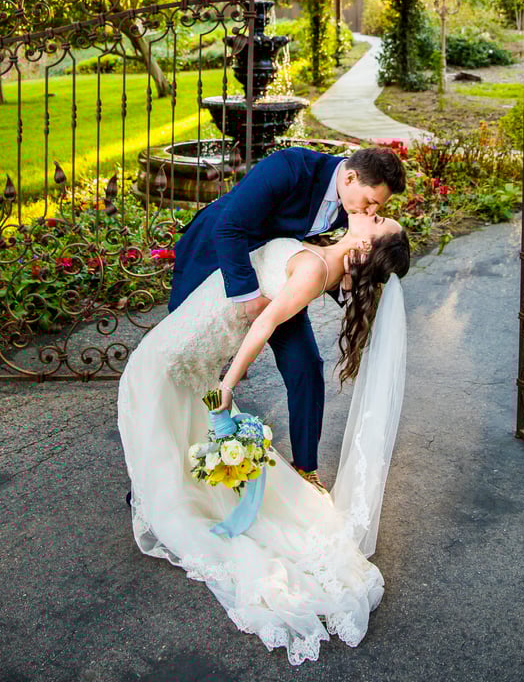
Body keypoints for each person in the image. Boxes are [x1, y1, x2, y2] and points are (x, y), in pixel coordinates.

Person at [117, 208, 410, 664]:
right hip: (199, 333)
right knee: (165, 411)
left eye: (377, 222)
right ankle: (166, 492)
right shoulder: (324, 256)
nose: (372, 213)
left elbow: (265, 323)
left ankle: (168, 502)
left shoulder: (314, 269)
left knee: (147, 390)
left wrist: (227, 384)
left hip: (190, 344)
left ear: (364, 247)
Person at [168, 145, 406, 486]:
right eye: (370, 202)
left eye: (377, 208)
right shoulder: (290, 168)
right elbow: (229, 227)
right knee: (180, 364)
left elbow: (325, 259)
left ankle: (306, 470)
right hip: (214, 261)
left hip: (275, 281)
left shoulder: (352, 209)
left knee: (306, 366)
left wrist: (352, 284)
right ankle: (159, 479)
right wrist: (249, 298)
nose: (370, 211)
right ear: (351, 177)